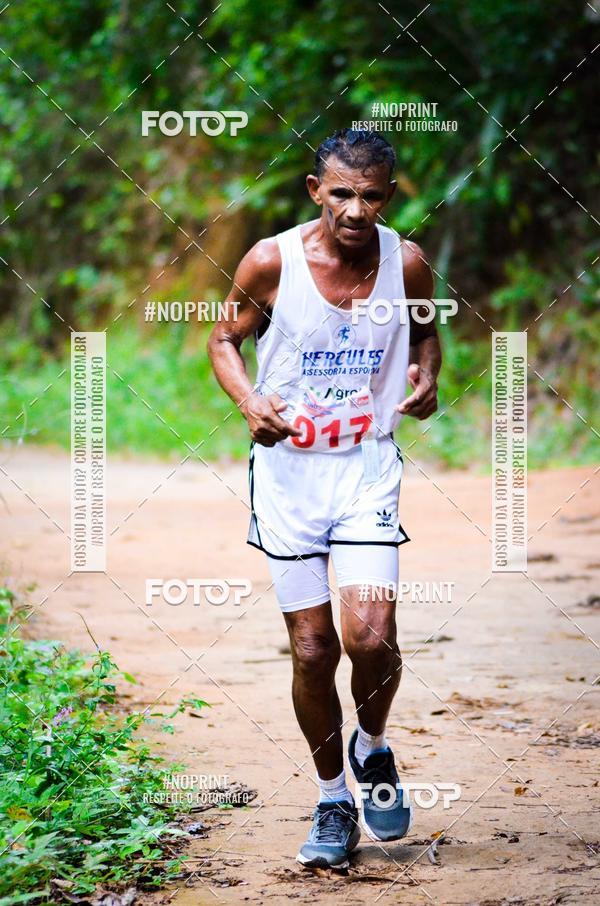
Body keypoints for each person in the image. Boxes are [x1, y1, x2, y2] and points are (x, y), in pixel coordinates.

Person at [208, 127, 441, 869]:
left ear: (389, 197)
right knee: (314, 649)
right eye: (340, 192)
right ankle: (333, 797)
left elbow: (427, 329)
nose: (354, 210)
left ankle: (372, 750)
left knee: (371, 638)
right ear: (316, 190)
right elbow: (222, 340)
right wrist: (250, 403)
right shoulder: (273, 261)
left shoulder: (406, 262)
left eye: (371, 196)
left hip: (366, 468)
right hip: (288, 478)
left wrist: (428, 374)